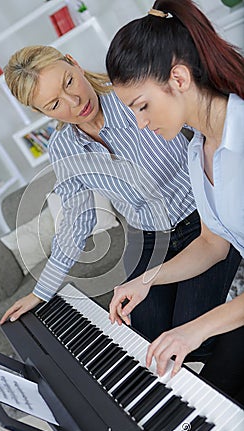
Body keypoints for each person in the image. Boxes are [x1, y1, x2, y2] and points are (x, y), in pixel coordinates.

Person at [0, 46, 239, 367]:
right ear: (42, 114)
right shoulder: (64, 148)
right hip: (149, 235)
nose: (74, 102)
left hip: (203, 222)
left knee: (193, 335)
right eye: (55, 104)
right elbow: (75, 220)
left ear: (75, 62)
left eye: (69, 82)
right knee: (140, 331)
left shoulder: (134, 99)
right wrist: (41, 291)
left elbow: (210, 123)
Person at [105, 0, 244, 403]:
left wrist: (194, 328)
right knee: (206, 395)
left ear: (179, 78)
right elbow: (212, 243)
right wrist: (145, 279)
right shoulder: (196, 149)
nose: (141, 123)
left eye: (143, 106)